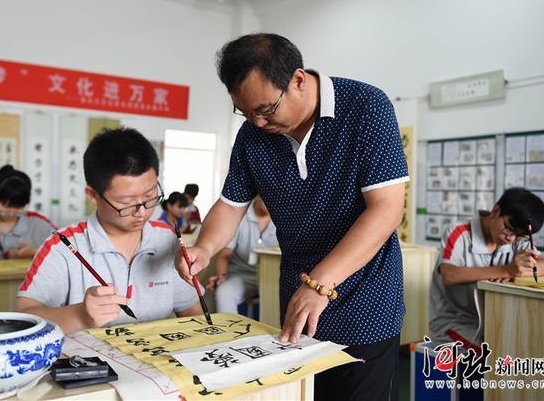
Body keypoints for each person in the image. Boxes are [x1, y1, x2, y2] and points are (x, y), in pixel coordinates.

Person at [175, 33, 408, 401]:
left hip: (366, 300)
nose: (258, 122)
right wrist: (203, 248)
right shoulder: (253, 134)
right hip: (299, 298)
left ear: (298, 80)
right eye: (246, 112)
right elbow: (231, 204)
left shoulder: (366, 107)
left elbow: (387, 209)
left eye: (266, 109)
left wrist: (320, 284)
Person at [15, 128, 203, 334]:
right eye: (126, 202)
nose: (142, 212)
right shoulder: (63, 247)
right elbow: (25, 318)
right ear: (93, 195)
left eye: (150, 196)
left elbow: (193, 314)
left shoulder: (166, 239)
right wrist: (80, 316)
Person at [429, 188, 544, 349]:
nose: (511, 238)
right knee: (497, 353)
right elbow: (449, 274)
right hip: (453, 322)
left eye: (519, 235)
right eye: (509, 228)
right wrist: (507, 270)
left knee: (530, 346)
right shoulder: (458, 232)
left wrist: (521, 269)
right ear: (495, 211)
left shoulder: (517, 238)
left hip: (493, 321)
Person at [207, 196, 277, 314]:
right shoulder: (239, 217)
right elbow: (225, 255)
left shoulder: (285, 219)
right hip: (243, 276)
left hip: (275, 278)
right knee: (224, 292)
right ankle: (229, 331)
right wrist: (222, 276)